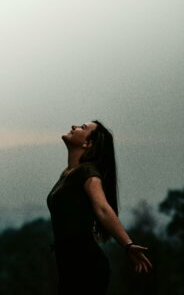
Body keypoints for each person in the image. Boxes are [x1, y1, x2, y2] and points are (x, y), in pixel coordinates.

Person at [47, 120, 152, 295]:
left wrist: (128, 245)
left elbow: (103, 209)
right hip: (68, 264)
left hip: (85, 265)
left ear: (88, 144)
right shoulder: (68, 174)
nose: (74, 126)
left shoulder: (88, 173)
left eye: (83, 127)